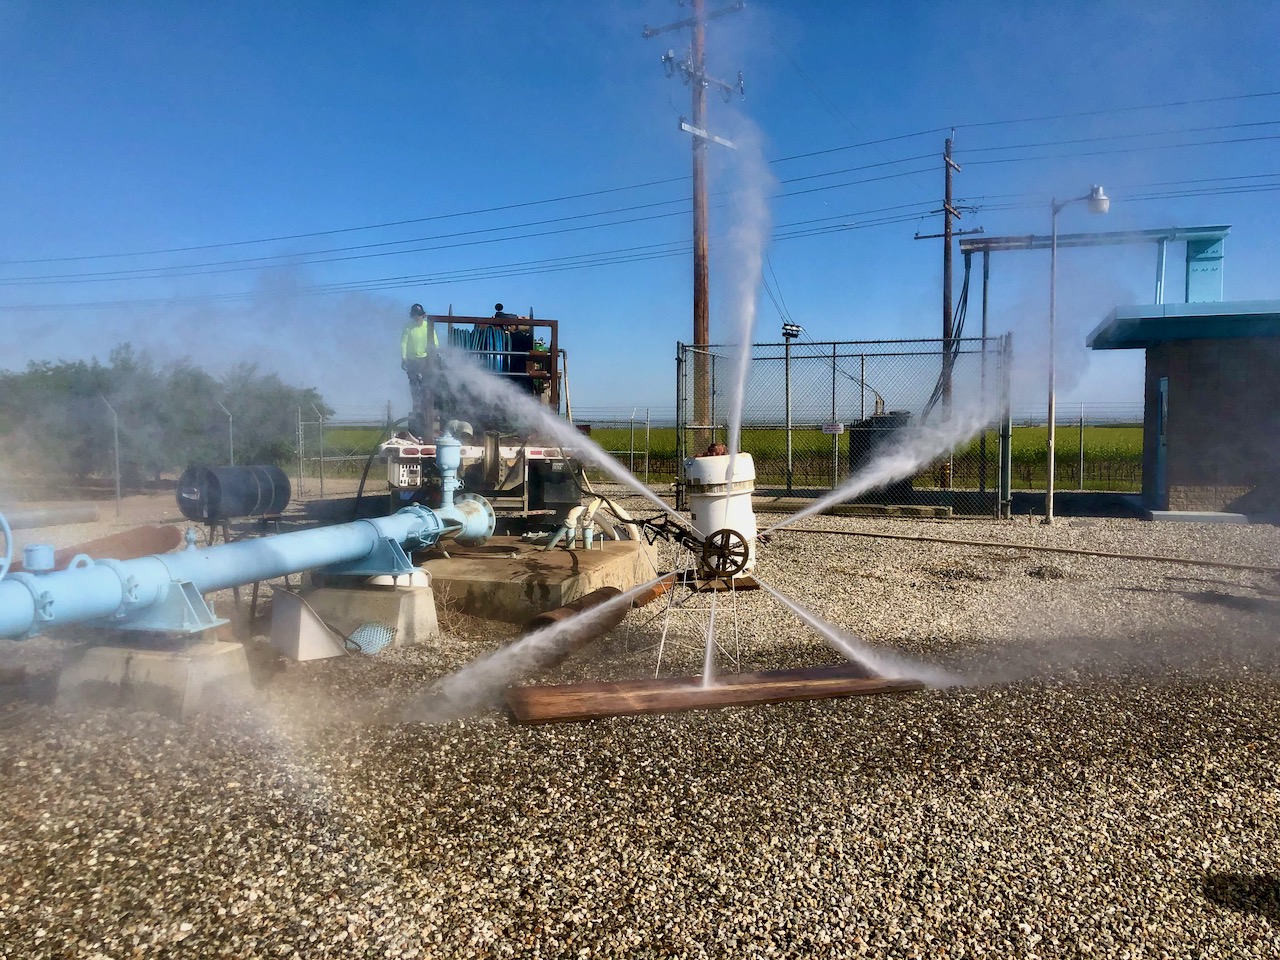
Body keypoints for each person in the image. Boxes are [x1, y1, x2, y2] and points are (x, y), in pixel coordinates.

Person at [401, 303, 438, 433]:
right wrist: (403, 357)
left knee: (426, 384)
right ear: (413, 316)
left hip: (425, 359)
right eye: (416, 316)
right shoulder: (408, 327)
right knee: (414, 383)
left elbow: (435, 343)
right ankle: (417, 407)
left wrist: (433, 355)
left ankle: (426, 406)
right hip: (412, 359)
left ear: (423, 315)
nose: (418, 318)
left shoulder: (428, 327)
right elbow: (403, 342)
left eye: (420, 316)